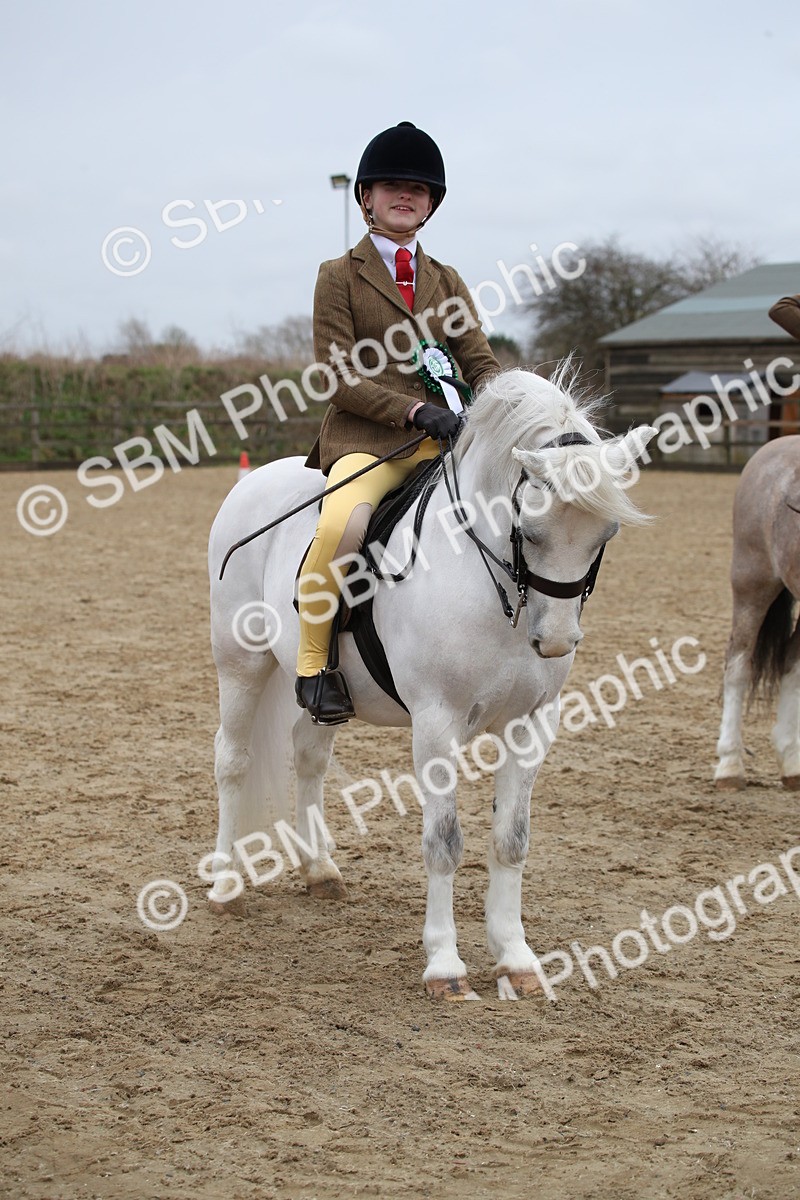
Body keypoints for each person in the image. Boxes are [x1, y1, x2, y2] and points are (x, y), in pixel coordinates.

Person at [295, 120, 500, 724]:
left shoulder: (447, 280)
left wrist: (509, 403)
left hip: (447, 442)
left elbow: (479, 362)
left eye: (417, 188)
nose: (405, 195)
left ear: (431, 203)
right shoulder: (338, 275)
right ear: (366, 197)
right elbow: (338, 376)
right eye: (391, 186)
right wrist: (412, 409)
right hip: (370, 442)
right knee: (343, 526)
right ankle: (314, 664)